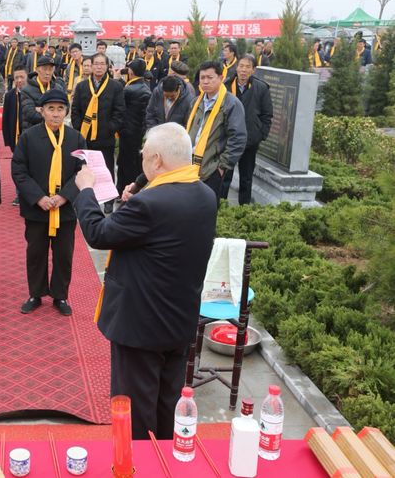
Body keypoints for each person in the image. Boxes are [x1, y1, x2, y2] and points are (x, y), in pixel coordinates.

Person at [74, 122, 217, 440]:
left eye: (143, 155)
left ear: (156, 159)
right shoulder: (206, 196)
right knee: (168, 405)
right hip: (178, 320)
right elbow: (159, 234)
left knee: (135, 415)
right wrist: (139, 196)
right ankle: (166, 457)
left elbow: (99, 233)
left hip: (140, 326)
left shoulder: (150, 204)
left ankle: (136, 462)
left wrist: (86, 191)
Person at [11, 89, 85, 316]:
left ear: (66, 112)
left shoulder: (76, 138)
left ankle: (60, 295)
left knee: (64, 254)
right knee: (36, 253)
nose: (55, 114)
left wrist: (65, 196)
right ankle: (36, 293)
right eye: (50, 109)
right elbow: (19, 170)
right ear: (41, 111)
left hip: (65, 208)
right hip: (38, 208)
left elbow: (82, 171)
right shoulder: (28, 137)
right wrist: (38, 197)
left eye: (60, 109)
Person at [71, 52, 125, 213]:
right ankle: (84, 199)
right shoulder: (82, 86)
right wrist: (79, 128)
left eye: (102, 64)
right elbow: (75, 110)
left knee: (106, 168)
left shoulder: (115, 87)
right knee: (83, 169)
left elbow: (120, 112)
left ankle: (108, 200)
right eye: (96, 64)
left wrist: (110, 128)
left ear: (107, 66)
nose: (99, 67)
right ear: (91, 66)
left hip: (105, 136)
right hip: (85, 136)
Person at [185, 60, 247, 202]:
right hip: (188, 166)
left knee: (206, 208)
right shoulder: (196, 102)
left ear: (221, 78)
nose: (205, 81)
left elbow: (238, 138)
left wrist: (221, 167)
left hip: (212, 170)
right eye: (202, 77)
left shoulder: (231, 104)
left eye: (210, 77)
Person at [222, 55, 273, 204]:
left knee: (246, 177)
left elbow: (267, 114)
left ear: (253, 70)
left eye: (247, 67)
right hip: (228, 139)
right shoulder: (226, 86)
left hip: (249, 140)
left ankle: (244, 208)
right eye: (241, 66)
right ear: (236, 68)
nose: (243, 70)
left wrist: (260, 135)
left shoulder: (261, 88)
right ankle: (221, 206)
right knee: (225, 175)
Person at [117, 59, 151, 194]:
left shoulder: (129, 89)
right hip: (139, 132)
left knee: (125, 163)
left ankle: (124, 190)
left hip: (127, 131)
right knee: (135, 163)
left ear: (130, 72)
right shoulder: (145, 87)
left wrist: (118, 80)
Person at [20, 56, 65, 130]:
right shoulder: (26, 90)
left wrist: (42, 110)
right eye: (44, 69)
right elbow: (31, 114)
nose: (47, 73)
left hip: (54, 130)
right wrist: (55, 113)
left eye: (50, 69)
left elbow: (66, 108)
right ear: (37, 70)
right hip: (33, 130)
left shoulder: (58, 88)